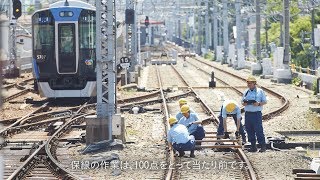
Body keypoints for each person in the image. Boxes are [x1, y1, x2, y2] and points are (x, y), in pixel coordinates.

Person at [241, 75, 267, 152]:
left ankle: (263, 146)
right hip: (248, 114)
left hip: (256, 114)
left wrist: (258, 104)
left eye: (250, 83)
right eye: (248, 83)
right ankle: (253, 146)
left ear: (254, 83)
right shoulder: (246, 92)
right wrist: (244, 104)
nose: (248, 85)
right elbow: (242, 101)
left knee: (258, 130)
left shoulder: (260, 91)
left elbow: (265, 101)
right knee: (249, 130)